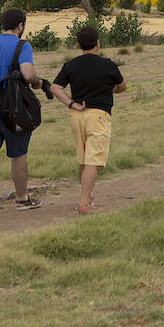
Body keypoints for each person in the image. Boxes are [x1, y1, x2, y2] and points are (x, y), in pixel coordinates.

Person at [45, 25, 127, 214]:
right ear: (98, 43)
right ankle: (84, 204)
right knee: (92, 160)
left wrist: (71, 103)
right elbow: (122, 86)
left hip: (77, 115)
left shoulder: (71, 65)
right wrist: (111, 89)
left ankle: (86, 197)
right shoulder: (107, 64)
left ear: (79, 44)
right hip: (98, 115)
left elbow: (55, 88)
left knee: (83, 160)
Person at [0, 7, 46, 220]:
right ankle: (22, 198)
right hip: (14, 108)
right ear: (21, 25)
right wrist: (37, 82)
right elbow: (28, 73)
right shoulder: (23, 45)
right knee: (18, 155)